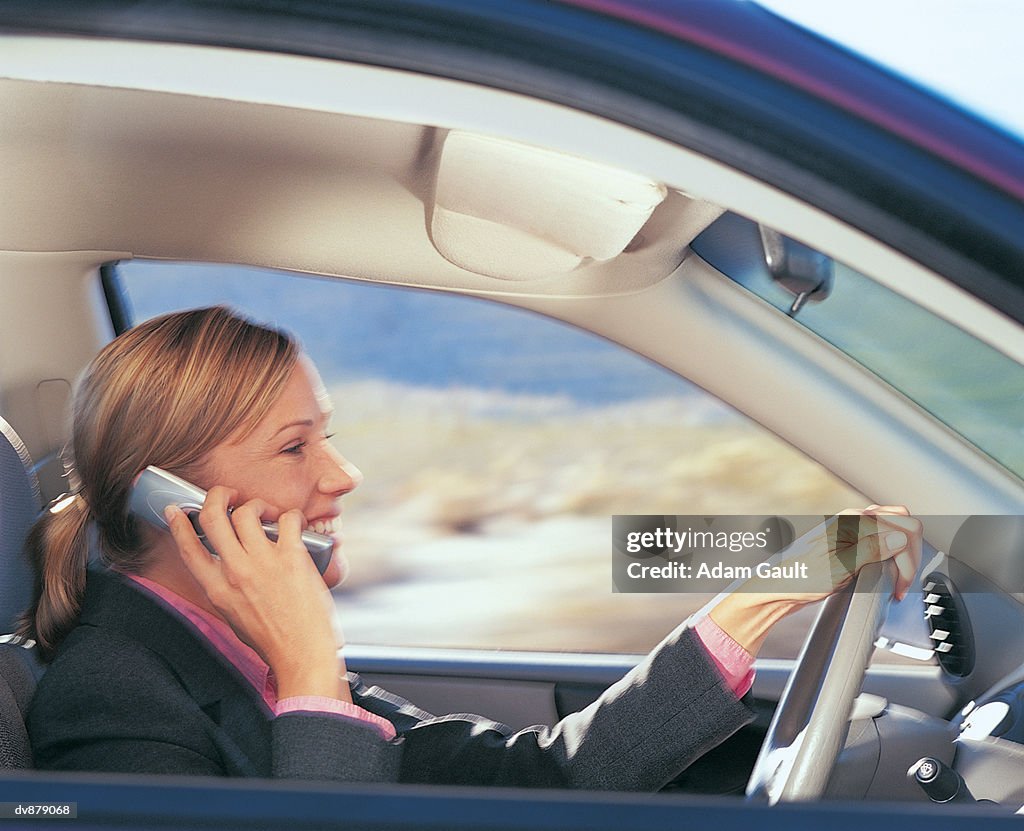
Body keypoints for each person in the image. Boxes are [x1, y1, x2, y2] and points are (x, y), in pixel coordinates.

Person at [20, 306, 922, 789]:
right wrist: (307, 668)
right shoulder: (110, 698)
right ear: (168, 498)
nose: (344, 475)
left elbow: (548, 776)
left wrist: (764, 591)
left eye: (327, 434)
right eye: (295, 448)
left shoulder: (243, 653)